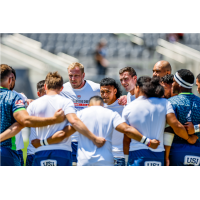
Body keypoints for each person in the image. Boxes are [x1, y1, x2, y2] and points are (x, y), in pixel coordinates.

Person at [32, 96, 160, 166]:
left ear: (88, 105)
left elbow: (63, 134)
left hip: (85, 161)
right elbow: (127, 129)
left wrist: (42, 142)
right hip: (106, 160)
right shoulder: (111, 113)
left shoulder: (80, 115)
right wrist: (148, 142)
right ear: (103, 105)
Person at [27, 72, 105, 166]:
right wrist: (94, 138)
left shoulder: (34, 104)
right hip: (62, 151)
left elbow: (24, 121)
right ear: (62, 88)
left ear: (45, 86)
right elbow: (74, 122)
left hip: (40, 151)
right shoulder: (66, 102)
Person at [122, 76, 196, 166]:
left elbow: (126, 138)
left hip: (137, 154)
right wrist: (189, 138)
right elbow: (176, 126)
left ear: (137, 88)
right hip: (158, 154)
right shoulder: (165, 103)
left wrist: (126, 160)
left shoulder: (129, 107)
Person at [0, 64, 65, 166]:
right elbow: (24, 121)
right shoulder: (13, 97)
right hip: (6, 150)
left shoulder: (19, 97)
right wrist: (54, 119)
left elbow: (29, 102)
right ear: (10, 80)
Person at [60, 62, 100, 166]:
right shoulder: (62, 89)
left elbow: (112, 97)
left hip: (89, 140)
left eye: (76, 76)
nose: (73, 79)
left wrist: (122, 98)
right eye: (70, 75)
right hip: (69, 141)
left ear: (83, 75)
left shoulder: (96, 88)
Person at [167, 69, 200, 166]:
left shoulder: (170, 102)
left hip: (176, 153)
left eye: (173, 81)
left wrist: (166, 156)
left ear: (179, 84)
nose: (172, 84)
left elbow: (168, 130)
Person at [100, 78, 125, 166]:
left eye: (108, 91)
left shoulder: (124, 107)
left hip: (119, 156)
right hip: (102, 156)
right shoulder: (99, 108)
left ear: (115, 91)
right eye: (102, 92)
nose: (104, 95)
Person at [26, 80, 46, 166]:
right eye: (45, 93)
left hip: (51, 151)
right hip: (33, 153)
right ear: (39, 94)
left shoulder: (58, 106)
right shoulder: (32, 106)